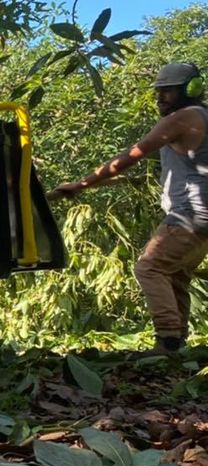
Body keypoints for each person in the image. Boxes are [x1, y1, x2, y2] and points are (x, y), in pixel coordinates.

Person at [53, 62, 208, 355]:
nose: (160, 98)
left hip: (190, 214)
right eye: (158, 92)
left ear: (191, 90)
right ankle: (177, 344)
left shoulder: (183, 117)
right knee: (175, 275)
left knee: (149, 267)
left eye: (168, 92)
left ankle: (167, 340)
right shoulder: (203, 116)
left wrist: (82, 184)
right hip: (202, 220)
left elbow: (131, 155)